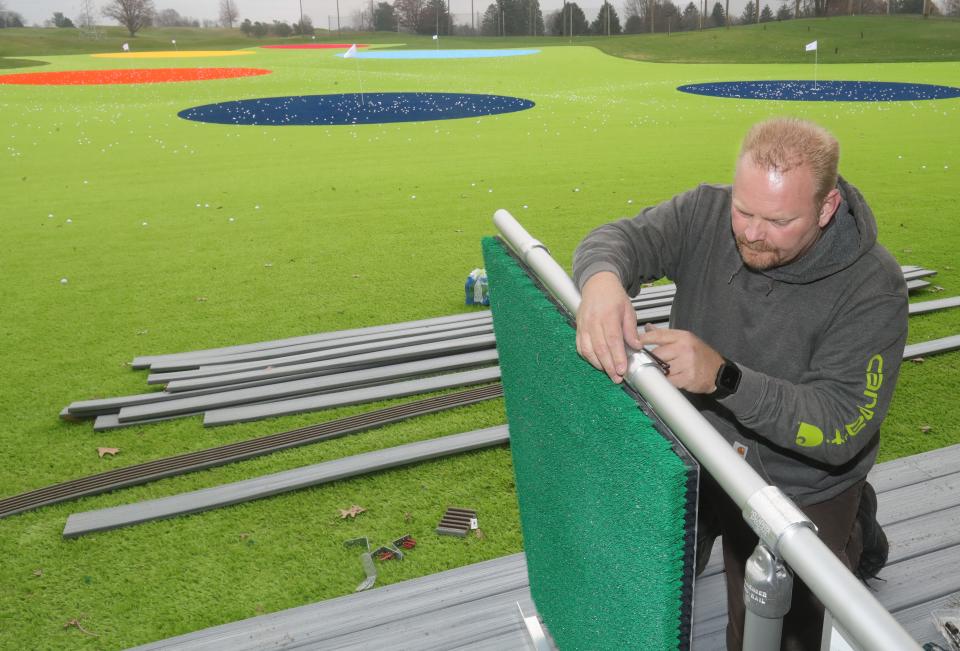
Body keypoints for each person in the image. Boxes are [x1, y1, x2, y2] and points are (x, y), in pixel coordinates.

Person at [571, 117, 908, 651]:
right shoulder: (707, 211)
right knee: (634, 583)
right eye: (744, 210)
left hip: (797, 483)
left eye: (777, 220)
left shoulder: (873, 290)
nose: (751, 232)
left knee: (769, 640)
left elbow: (841, 424)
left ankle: (850, 525)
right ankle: (851, 523)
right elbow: (618, 240)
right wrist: (601, 282)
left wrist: (725, 379)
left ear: (827, 208)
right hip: (697, 450)